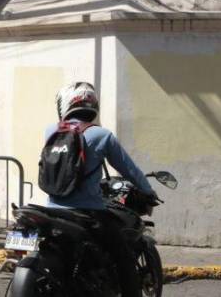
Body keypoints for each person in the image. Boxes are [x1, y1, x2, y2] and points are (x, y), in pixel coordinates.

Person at [45, 82, 155, 297]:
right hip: (88, 211)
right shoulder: (102, 135)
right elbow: (129, 169)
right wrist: (148, 191)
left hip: (52, 209)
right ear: (93, 103)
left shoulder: (51, 130)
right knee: (123, 255)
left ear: (65, 103)